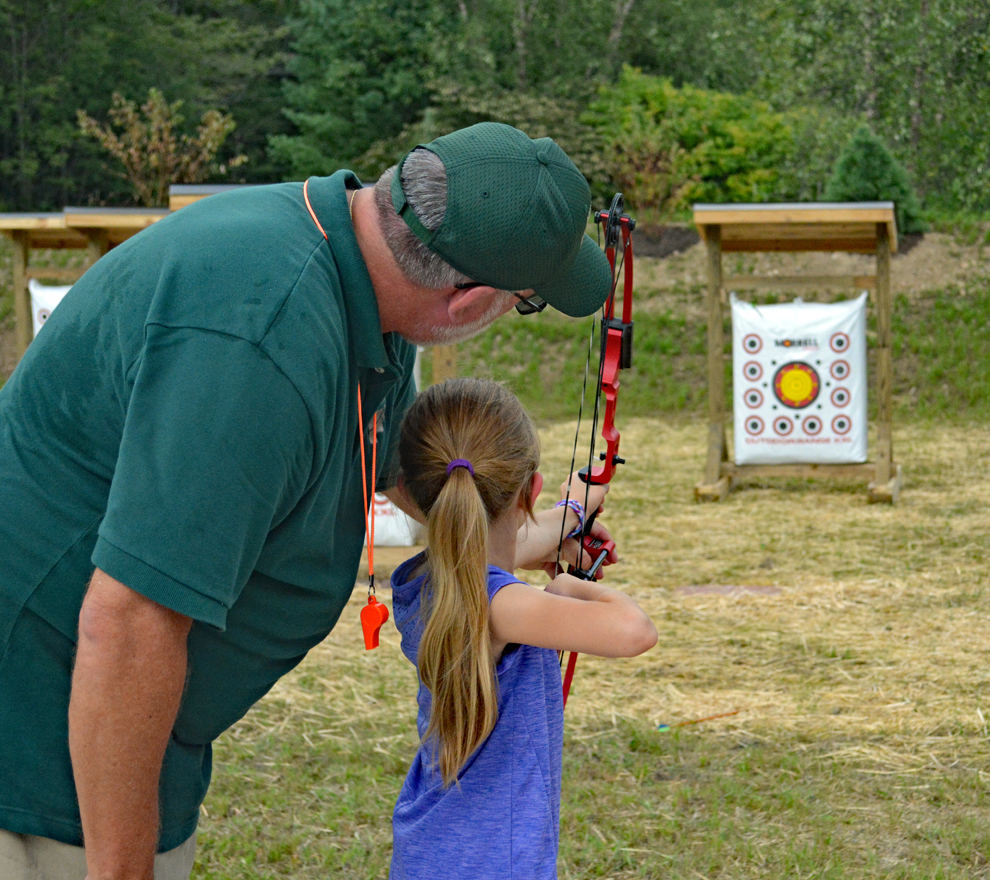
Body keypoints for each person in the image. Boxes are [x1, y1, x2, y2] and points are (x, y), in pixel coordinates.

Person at [0, 122, 618, 880]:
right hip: (39, 759)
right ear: (467, 299)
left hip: (114, 745)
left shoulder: (360, 277)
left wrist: (544, 528)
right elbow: (128, 622)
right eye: (524, 302)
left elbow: (421, 484)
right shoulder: (259, 338)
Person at [389, 378, 657, 879]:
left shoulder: (427, 582)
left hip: (429, 853)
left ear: (411, 491)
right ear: (530, 490)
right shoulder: (505, 606)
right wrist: (567, 589)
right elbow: (633, 629)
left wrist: (574, 511)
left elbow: (507, 545)